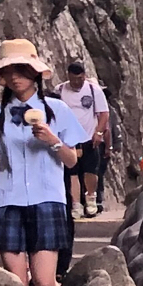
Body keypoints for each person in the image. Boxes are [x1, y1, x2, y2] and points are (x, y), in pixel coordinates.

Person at [0, 38, 91, 286]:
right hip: (6, 201)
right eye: (8, 71)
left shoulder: (57, 110)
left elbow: (72, 160)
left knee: (46, 281)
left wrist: (52, 140)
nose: (14, 77)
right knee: (16, 283)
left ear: (34, 71)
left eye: (21, 69)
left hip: (47, 199)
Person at [61, 59, 113, 217]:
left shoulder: (93, 90)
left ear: (84, 76)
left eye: (80, 78)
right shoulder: (61, 90)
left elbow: (103, 114)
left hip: (89, 137)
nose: (77, 82)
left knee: (91, 170)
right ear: (69, 76)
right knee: (72, 172)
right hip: (70, 139)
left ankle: (91, 198)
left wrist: (98, 133)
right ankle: (75, 203)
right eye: (74, 79)